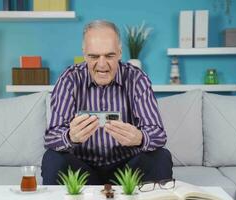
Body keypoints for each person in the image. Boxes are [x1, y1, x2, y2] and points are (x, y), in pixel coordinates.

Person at [41, 20, 173, 185]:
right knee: (52, 158)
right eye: (94, 56)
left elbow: (158, 134)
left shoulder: (136, 78)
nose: (102, 65)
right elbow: (51, 137)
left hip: (127, 169)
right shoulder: (70, 79)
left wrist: (140, 137)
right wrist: (70, 136)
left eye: (109, 55)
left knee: (161, 156)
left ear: (119, 52)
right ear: (84, 53)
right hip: (83, 171)